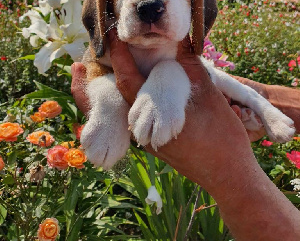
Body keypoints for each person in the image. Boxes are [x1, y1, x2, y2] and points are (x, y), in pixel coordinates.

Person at [71, 29, 300, 241]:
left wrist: (228, 168)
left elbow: (182, 71)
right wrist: (109, 109)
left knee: (220, 79)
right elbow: (98, 73)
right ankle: (259, 106)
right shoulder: (110, 38)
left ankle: (266, 110)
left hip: (192, 77)